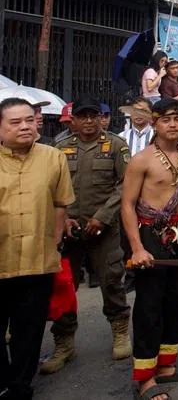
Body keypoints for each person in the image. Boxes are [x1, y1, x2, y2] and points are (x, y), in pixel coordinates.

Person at [42, 96, 132, 374]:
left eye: (94, 115)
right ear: (73, 120)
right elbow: (52, 190)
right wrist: (63, 219)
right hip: (69, 230)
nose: (89, 121)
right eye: (83, 116)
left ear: (101, 118)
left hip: (103, 229)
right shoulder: (59, 149)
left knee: (112, 280)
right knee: (64, 287)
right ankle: (64, 342)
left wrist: (103, 217)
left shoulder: (116, 145)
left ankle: (120, 331)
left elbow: (124, 186)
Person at [121, 99, 178, 400]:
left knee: (177, 301)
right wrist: (137, 247)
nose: (173, 125)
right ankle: (145, 376)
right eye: (166, 119)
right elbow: (127, 205)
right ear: (155, 123)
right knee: (149, 306)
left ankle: (166, 366)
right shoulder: (141, 159)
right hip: (149, 236)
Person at [0, 97, 74, 400]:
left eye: (29, 120)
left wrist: (55, 242)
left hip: (37, 259)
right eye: (15, 122)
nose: (25, 127)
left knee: (28, 331)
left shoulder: (53, 158)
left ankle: (19, 388)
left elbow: (60, 204)